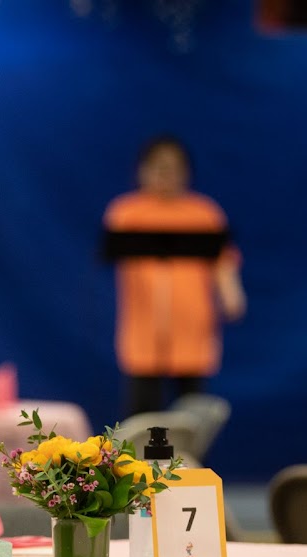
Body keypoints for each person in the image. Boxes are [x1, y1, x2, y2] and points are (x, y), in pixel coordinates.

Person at [104, 136, 246, 416]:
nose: (165, 175)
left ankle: (185, 448)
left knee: (190, 411)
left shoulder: (204, 214)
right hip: (144, 330)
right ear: (142, 170)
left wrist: (232, 294)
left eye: (172, 168)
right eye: (158, 167)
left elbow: (223, 262)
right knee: (146, 417)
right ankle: (149, 448)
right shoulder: (126, 212)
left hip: (191, 328)